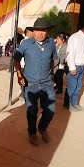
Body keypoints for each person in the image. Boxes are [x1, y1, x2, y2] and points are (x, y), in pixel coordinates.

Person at [14, 17, 57, 145]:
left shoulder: (51, 44)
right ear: (33, 31)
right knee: (32, 111)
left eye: (43, 30)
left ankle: (42, 129)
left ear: (47, 31)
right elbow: (16, 59)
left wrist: (52, 74)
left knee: (50, 110)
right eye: (37, 30)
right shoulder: (26, 44)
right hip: (30, 84)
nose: (40, 33)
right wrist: (19, 74)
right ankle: (32, 133)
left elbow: (53, 60)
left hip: (47, 83)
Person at [65, 23, 84, 111]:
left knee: (78, 87)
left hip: (81, 66)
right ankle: (70, 104)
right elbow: (70, 53)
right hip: (75, 66)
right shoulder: (75, 37)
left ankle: (75, 103)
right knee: (72, 87)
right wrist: (72, 67)